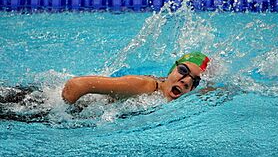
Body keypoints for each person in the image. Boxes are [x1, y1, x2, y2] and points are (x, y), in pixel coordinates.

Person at [62, 52, 210, 104]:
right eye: (183, 70)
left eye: (195, 81)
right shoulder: (144, 86)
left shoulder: (167, 94)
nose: (186, 81)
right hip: (48, 108)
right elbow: (77, 85)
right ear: (171, 71)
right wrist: (64, 114)